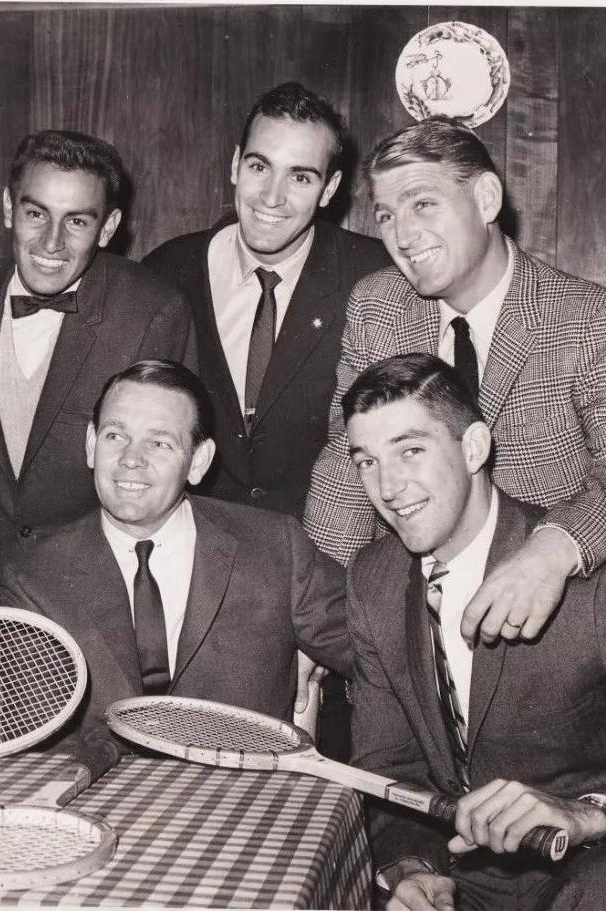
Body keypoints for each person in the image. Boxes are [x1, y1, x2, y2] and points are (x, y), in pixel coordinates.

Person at [342, 354, 606, 911]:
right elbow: (388, 773)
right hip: (460, 880)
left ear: (474, 448)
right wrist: (412, 867)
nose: (389, 487)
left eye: (411, 451)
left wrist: (591, 815)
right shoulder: (371, 579)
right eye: (366, 462)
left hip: (599, 873)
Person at [304, 115, 606, 649]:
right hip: (415, 622)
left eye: (423, 204)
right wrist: (316, 624)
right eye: (386, 216)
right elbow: (346, 467)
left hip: (552, 622)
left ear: (485, 199)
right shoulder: (377, 306)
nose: (402, 236)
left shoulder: (588, 319)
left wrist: (552, 550)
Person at [143, 82, 389, 760]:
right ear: (234, 164)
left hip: (335, 585)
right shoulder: (168, 269)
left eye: (300, 176)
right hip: (203, 593)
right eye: (259, 166)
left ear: (330, 188)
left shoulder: (373, 277)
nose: (272, 196)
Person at [0, 360, 350, 774]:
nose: (131, 459)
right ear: (91, 444)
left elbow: (378, 651)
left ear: (198, 461)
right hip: (103, 798)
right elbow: (37, 736)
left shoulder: (274, 548)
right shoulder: (35, 576)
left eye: (159, 443)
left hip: (246, 797)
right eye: (115, 436)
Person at [0, 130, 195, 594]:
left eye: (76, 221)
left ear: (108, 227)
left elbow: (165, 471)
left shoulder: (152, 313)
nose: (52, 242)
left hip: (86, 588)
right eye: (36, 214)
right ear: (8, 207)